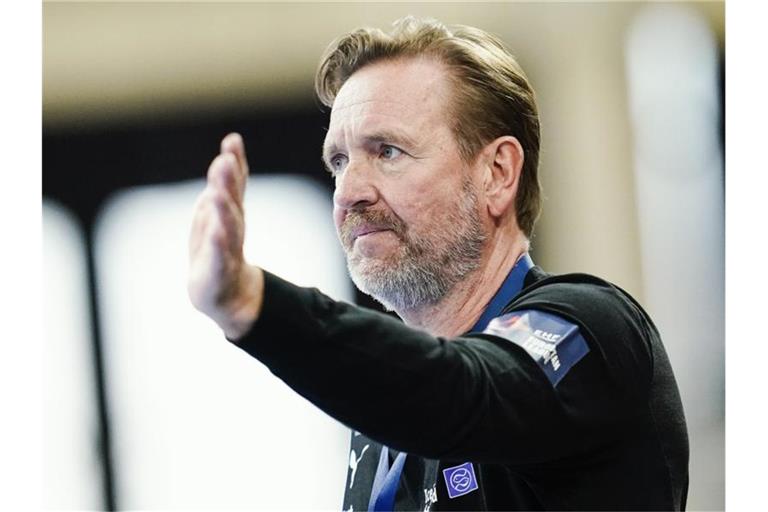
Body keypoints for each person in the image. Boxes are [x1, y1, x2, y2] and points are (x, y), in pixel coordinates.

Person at [187, 16, 689, 511]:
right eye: (339, 162)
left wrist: (255, 302)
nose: (348, 192)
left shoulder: (593, 327)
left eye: (388, 152)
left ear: (497, 173)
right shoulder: (380, 430)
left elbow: (462, 391)